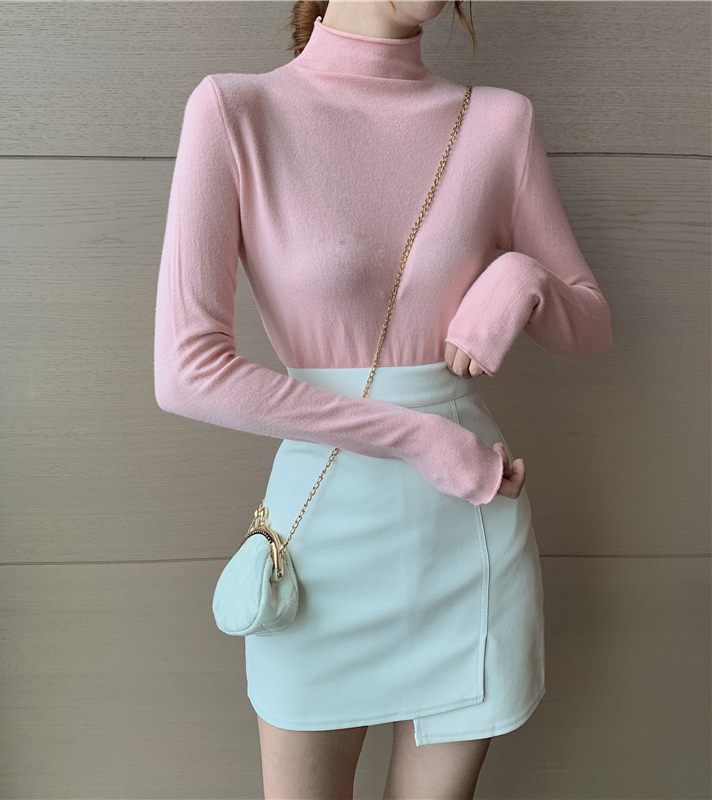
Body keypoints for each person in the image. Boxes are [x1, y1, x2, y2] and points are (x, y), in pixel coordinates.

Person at [154, 1, 613, 797]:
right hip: (319, 547)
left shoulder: (499, 123)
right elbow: (188, 370)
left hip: (468, 537)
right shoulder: (236, 112)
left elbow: (593, 329)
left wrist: (524, 279)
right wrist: (419, 438)